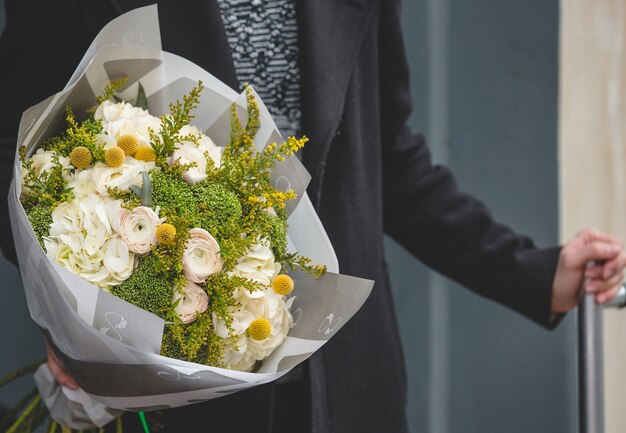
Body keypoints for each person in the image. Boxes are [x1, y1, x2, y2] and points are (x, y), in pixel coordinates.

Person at [1, 0, 625, 432]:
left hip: (344, 390)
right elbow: (15, 152)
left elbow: (389, 161)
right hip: (164, 394)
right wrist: (77, 322)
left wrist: (532, 272)